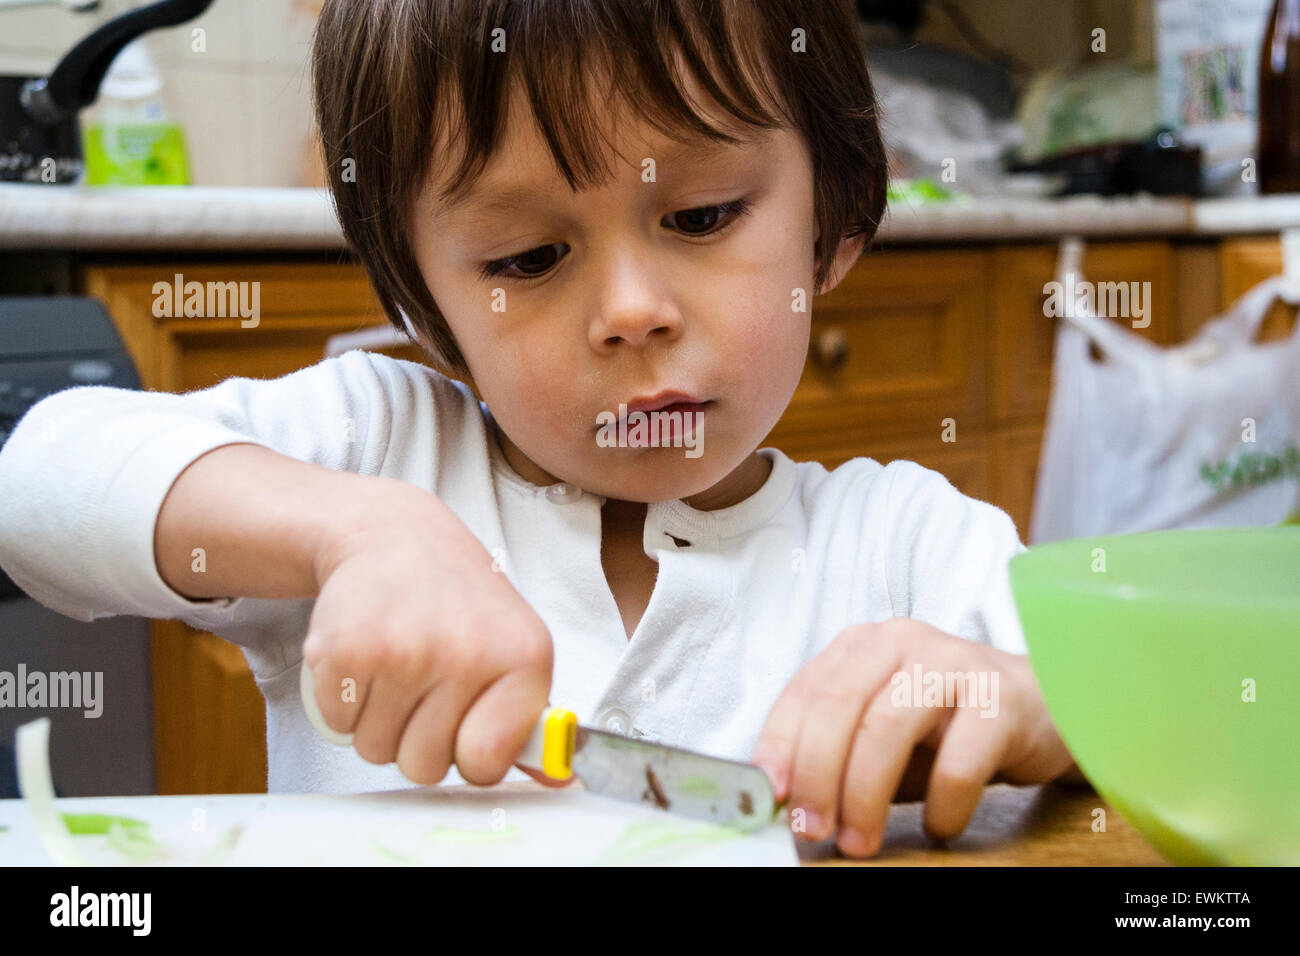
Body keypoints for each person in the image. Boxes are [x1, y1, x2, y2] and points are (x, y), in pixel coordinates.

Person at [0, 0, 1081, 859]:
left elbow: (1169, 740)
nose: (629, 311)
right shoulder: (381, 451)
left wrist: (1038, 713)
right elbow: (35, 484)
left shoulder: (907, 545)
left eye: (701, 217)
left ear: (835, 221)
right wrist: (355, 534)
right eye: (525, 259)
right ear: (429, 306)